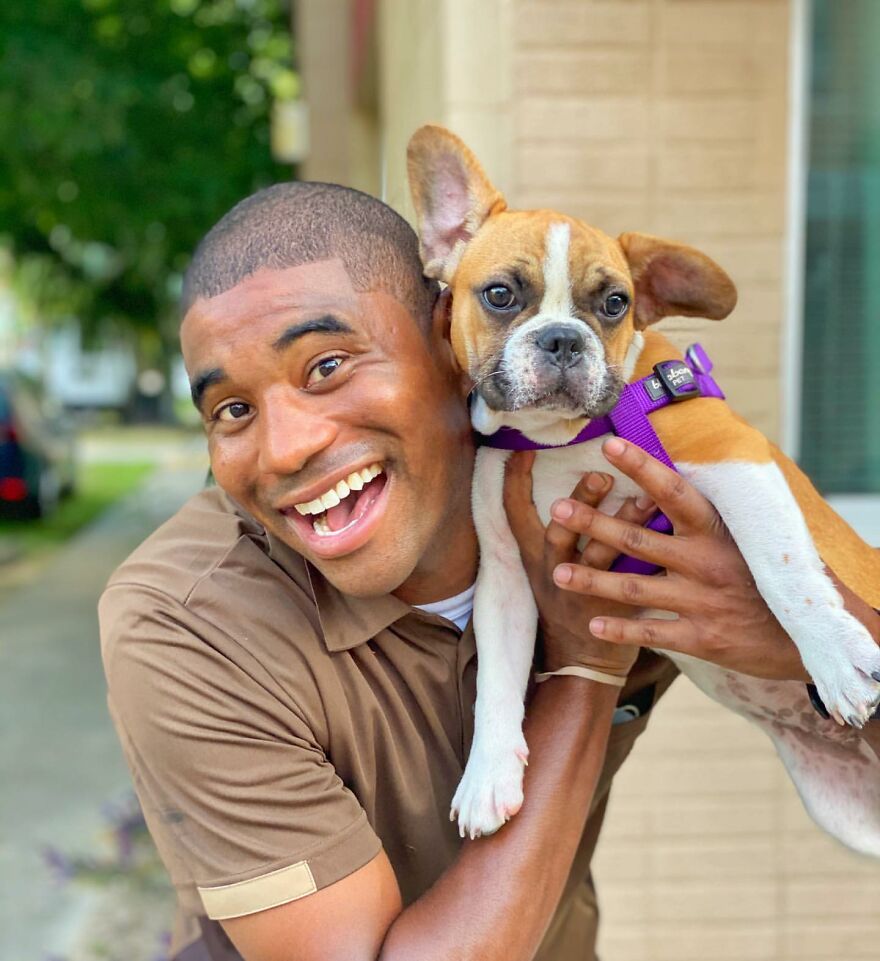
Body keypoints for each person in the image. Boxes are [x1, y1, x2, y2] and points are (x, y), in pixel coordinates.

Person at [99, 182, 880, 961]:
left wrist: (783, 631)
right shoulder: (184, 622)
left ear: (447, 337)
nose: (287, 448)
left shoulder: (610, 497)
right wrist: (584, 667)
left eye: (329, 365)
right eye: (232, 410)